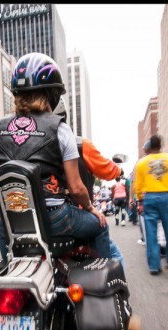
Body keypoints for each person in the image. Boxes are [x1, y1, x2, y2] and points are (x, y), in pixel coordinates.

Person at [0, 52, 110, 261]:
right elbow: (77, 188)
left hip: (8, 219)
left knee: (10, 268)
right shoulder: (60, 129)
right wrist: (91, 209)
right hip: (54, 217)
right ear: (52, 94)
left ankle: (10, 271)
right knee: (100, 227)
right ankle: (105, 286)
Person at [52, 97, 126, 268]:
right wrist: (119, 170)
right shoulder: (80, 144)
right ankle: (108, 284)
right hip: (76, 215)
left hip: (40, 220)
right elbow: (106, 169)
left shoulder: (32, 144)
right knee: (115, 258)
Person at [133, 134, 168, 275]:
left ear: (149, 147)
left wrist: (141, 199)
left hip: (150, 197)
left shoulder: (141, 163)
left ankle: (154, 265)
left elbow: (138, 184)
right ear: (161, 145)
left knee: (151, 232)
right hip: (167, 196)